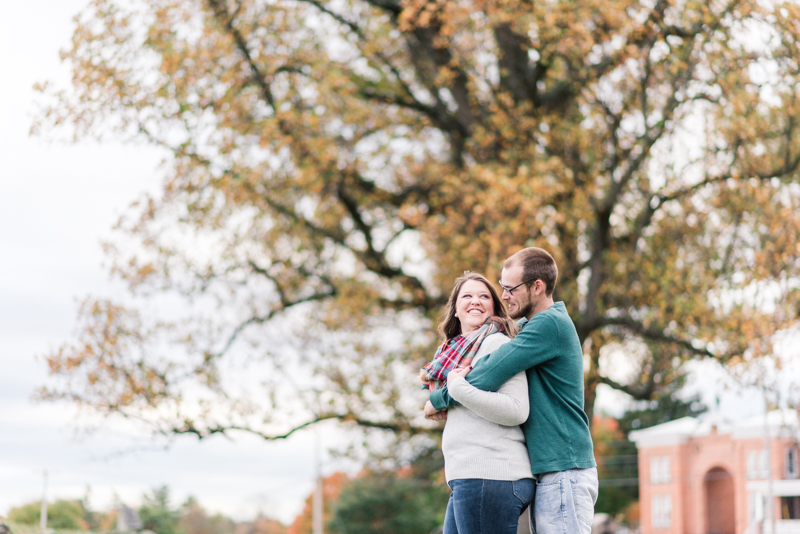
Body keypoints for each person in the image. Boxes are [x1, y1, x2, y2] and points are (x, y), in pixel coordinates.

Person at [425, 248, 598, 534]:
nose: (504, 296)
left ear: (537, 287)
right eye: (502, 288)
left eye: (509, 288)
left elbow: (489, 371)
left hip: (565, 469)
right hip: (549, 469)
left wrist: (440, 397)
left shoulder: (548, 325)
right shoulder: (531, 326)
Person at [420, 272, 533, 534]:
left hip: (491, 475)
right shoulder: (454, 352)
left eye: (484, 296)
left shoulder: (497, 342)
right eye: (467, 296)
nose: (476, 301)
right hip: (471, 478)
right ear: (455, 309)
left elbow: (516, 410)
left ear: (494, 306)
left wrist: (457, 388)